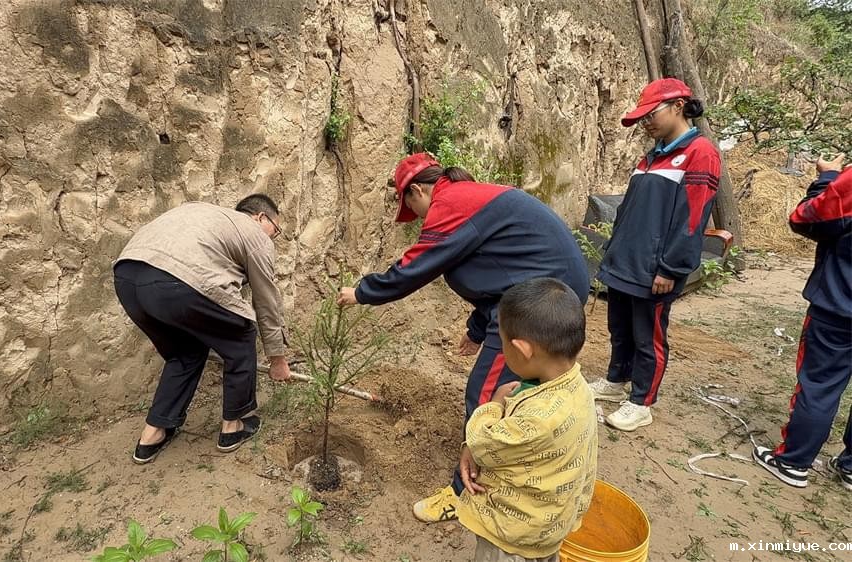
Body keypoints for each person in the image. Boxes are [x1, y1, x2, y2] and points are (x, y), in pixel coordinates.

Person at [337, 153, 590, 523]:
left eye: (413, 208)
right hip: (542, 293)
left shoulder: (450, 203)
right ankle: (525, 457)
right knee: (522, 386)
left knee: (485, 394)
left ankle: (464, 492)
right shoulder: (470, 199)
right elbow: (497, 271)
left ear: (418, 191)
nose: (420, 220)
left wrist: (361, 292)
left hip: (538, 305)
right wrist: (476, 331)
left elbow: (416, 267)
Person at [113, 194, 292, 464]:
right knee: (242, 333)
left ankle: (153, 434)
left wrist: (163, 321)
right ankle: (233, 427)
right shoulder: (254, 234)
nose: (273, 237)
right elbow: (265, 301)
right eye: (275, 230)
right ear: (260, 217)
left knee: (185, 352)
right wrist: (277, 359)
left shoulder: (201, 213)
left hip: (127, 277)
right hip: (178, 281)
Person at [588, 77, 721, 432]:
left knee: (649, 337)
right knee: (620, 329)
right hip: (624, 263)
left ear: (679, 106)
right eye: (641, 117)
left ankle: (641, 401)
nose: (646, 123)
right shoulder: (651, 156)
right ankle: (616, 383)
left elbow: (691, 219)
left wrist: (671, 268)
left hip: (654, 270)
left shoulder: (700, 153)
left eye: (651, 114)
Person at [457, 278, 598, 562]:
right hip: (551, 525)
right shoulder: (581, 389)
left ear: (522, 350)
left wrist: (494, 405)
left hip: (513, 535)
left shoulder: (537, 420)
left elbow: (483, 443)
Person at [752, 153, 851, 490]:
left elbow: (804, 219)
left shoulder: (848, 183)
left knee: (819, 384)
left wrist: (828, 178)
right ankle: (850, 467)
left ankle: (793, 461)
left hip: (840, 307)